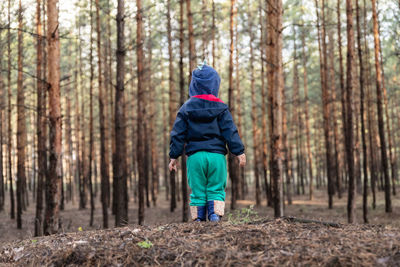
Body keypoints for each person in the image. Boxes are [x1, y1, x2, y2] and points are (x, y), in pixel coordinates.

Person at [168, 62, 246, 222]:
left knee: (197, 190)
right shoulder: (221, 108)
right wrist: (239, 151)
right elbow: (230, 131)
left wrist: (173, 156)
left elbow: (178, 134)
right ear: (215, 85)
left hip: (195, 157)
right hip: (217, 157)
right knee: (216, 188)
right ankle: (214, 215)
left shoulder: (185, 108)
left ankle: (198, 220)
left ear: (193, 86)